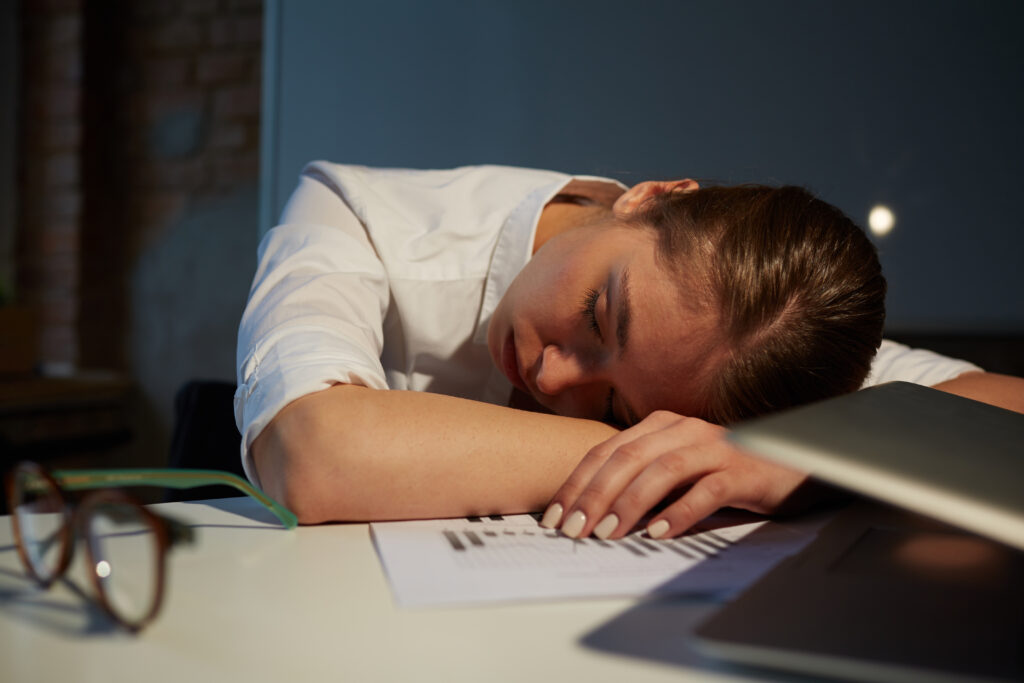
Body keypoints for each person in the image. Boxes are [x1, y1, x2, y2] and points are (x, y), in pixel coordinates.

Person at [235, 162, 1024, 539]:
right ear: (650, 199)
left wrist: (811, 456)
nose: (551, 373)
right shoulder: (357, 214)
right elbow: (311, 453)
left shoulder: (742, 337)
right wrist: (698, 450)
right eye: (596, 316)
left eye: (620, 406)